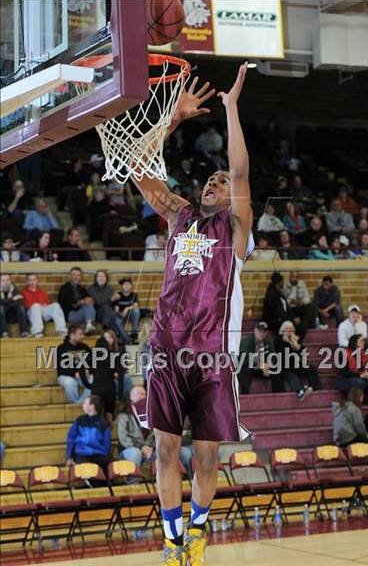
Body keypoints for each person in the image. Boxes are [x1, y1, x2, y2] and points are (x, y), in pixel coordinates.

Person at [132, 65, 253, 564]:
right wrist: (172, 119)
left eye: (220, 181)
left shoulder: (236, 228)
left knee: (205, 455)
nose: (215, 181)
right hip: (166, 347)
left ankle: (199, 529)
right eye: (210, 178)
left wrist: (229, 109)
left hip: (210, 354)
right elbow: (137, 166)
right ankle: (171, 537)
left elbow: (242, 171)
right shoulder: (179, 214)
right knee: (164, 450)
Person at [66, 395, 112, 476]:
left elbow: (106, 444)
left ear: (92, 406)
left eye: (84, 403)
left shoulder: (104, 423)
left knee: (108, 468)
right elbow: (71, 439)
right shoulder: (80, 420)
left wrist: (104, 455)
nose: (82, 405)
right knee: (88, 470)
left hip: (99, 454)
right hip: (82, 454)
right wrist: (70, 457)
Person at [274, 321, 320, 399]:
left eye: (291, 329)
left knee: (312, 369)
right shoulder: (279, 340)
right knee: (292, 376)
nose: (289, 331)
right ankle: (300, 391)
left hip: (297, 365)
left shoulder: (295, 340)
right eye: (287, 329)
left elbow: (303, 352)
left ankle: (313, 388)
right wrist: (291, 344)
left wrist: (295, 344)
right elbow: (286, 354)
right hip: (285, 366)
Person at [89, 330, 126, 419]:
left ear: (114, 339)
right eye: (105, 337)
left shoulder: (119, 350)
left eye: (110, 337)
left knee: (127, 379)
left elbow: (123, 369)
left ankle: (121, 399)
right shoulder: (96, 352)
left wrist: (116, 372)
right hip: (102, 382)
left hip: (111, 380)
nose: (108, 340)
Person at [117, 385, 156, 471]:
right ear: (131, 397)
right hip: (129, 450)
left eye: (142, 394)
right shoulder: (123, 415)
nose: (139, 396)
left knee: (163, 453)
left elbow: (156, 435)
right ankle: (133, 483)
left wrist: (151, 448)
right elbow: (123, 438)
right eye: (136, 394)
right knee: (136, 453)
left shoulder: (152, 414)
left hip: (149, 449)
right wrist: (141, 448)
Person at [238, 321, 279, 394]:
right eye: (260, 331)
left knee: (277, 369)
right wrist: (260, 364)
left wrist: (268, 365)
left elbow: (273, 356)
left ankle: (278, 394)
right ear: (255, 330)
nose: (261, 333)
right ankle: (245, 395)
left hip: (262, 368)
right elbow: (244, 359)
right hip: (248, 367)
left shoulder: (268, 341)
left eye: (264, 332)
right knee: (246, 370)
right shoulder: (247, 342)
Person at [337, 334, 368, 398]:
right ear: (354, 342)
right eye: (361, 341)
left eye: (364, 341)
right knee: (359, 382)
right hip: (345, 379)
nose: (364, 342)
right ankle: (354, 400)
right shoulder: (344, 353)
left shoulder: (364, 354)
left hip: (361, 377)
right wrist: (360, 375)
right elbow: (343, 372)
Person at [57, 325, 91, 404]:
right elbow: (60, 368)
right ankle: (76, 405)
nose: (83, 336)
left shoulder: (85, 347)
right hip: (66, 375)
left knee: (95, 381)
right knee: (69, 383)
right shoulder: (61, 348)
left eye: (83, 334)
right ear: (72, 335)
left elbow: (92, 362)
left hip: (83, 375)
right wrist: (75, 373)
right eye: (80, 334)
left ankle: (79, 403)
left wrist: (88, 370)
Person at [58, 267, 96, 333]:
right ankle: (89, 325)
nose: (76, 277)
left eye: (78, 275)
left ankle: (89, 325)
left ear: (81, 277)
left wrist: (91, 301)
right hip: (70, 315)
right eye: (74, 275)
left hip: (82, 313)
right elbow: (65, 305)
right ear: (70, 276)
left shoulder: (82, 289)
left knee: (88, 304)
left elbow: (88, 301)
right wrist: (80, 302)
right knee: (86, 305)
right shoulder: (64, 289)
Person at [88, 270, 121, 340]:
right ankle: (114, 335)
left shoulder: (110, 288)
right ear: (96, 278)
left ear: (106, 278)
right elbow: (99, 302)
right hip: (97, 313)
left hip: (108, 313)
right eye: (99, 276)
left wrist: (116, 299)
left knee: (112, 313)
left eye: (103, 276)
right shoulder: (91, 289)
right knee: (107, 308)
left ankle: (107, 329)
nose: (101, 278)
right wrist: (110, 299)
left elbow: (115, 302)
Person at [113, 278, 141, 344]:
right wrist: (121, 313)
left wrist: (127, 308)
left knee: (136, 311)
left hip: (130, 315)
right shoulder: (118, 295)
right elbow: (116, 310)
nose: (126, 286)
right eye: (124, 284)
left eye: (128, 284)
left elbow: (136, 306)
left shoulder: (133, 295)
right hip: (120, 316)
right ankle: (128, 339)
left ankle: (134, 334)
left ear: (131, 286)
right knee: (117, 320)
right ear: (122, 286)